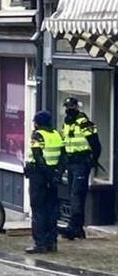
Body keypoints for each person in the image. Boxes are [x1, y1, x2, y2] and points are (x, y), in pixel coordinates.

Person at [61, 97, 101, 240]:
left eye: (71, 106)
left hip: (81, 163)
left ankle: (74, 227)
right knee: (73, 195)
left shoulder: (84, 123)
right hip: (71, 163)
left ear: (77, 107)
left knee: (77, 195)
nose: (68, 109)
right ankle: (77, 228)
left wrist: (92, 161)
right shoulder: (67, 123)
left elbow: (95, 144)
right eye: (67, 106)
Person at [26, 111, 65, 254]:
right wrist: (57, 175)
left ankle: (40, 244)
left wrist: (48, 175)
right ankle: (52, 242)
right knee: (51, 210)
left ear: (37, 122)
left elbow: (38, 157)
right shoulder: (57, 134)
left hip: (39, 177)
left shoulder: (37, 136)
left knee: (38, 210)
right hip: (53, 176)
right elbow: (63, 156)